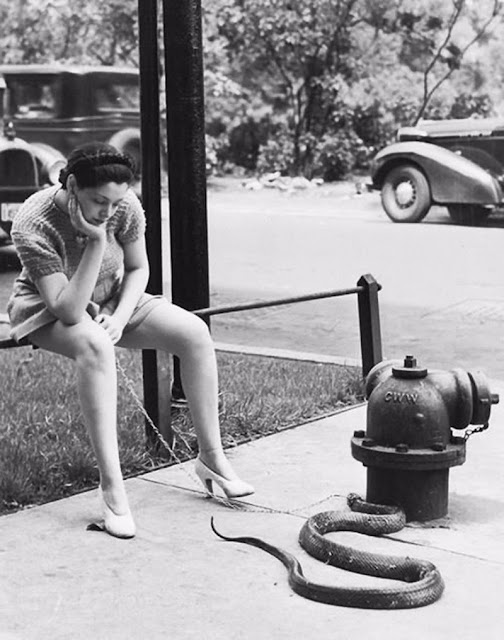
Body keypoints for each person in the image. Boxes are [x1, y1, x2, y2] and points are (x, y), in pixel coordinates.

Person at [7, 141, 254, 539]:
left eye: (116, 201)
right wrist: (98, 241)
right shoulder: (33, 222)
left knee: (194, 332)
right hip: (47, 306)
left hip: (112, 298)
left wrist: (120, 318)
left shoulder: (125, 204)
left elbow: (139, 268)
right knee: (95, 345)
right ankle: (113, 489)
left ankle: (211, 457)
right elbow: (68, 310)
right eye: (97, 201)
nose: (108, 211)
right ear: (71, 185)